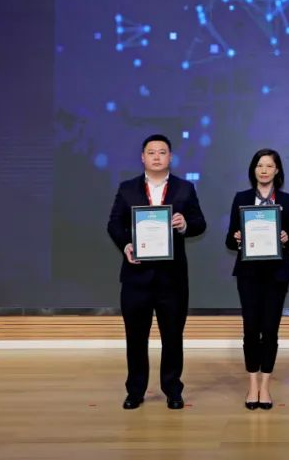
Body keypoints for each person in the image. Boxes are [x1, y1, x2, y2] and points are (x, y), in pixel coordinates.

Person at [107, 133, 206, 410]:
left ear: (170, 157)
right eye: (151, 152)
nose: (157, 157)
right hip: (136, 277)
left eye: (162, 152)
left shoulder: (185, 188)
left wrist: (185, 225)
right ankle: (135, 391)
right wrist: (126, 244)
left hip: (172, 279)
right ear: (143, 157)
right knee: (135, 338)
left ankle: (173, 390)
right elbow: (114, 223)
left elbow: (200, 223)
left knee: (172, 337)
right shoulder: (127, 188)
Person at [224, 148, 289, 411]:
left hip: (277, 275)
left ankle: (265, 385)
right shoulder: (241, 198)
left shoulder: (288, 201)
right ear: (253, 170)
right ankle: (252, 384)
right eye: (259, 166)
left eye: (269, 166)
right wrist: (236, 238)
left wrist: (286, 238)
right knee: (250, 329)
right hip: (248, 274)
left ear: (277, 170)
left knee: (269, 330)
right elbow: (229, 240)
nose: (264, 170)